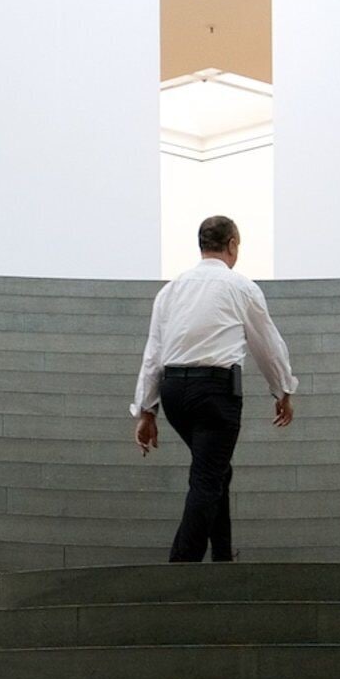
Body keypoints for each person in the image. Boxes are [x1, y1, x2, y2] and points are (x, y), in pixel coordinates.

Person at [132, 214, 299, 563]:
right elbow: (266, 344)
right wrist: (283, 390)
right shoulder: (240, 287)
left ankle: (222, 556)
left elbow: (154, 353)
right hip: (215, 395)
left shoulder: (171, 290)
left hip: (174, 393)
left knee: (217, 469)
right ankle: (182, 566)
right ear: (233, 245)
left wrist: (146, 411)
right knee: (206, 478)